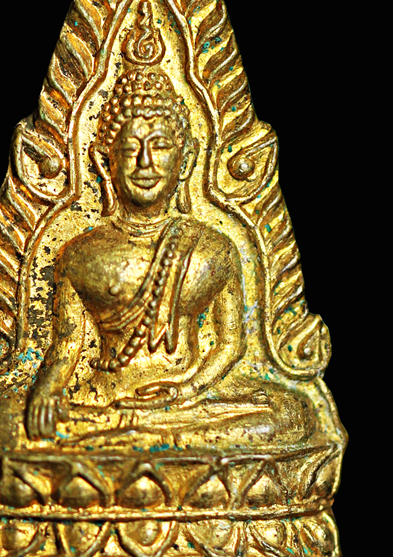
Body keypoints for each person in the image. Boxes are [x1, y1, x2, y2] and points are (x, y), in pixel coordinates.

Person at [24, 68, 312, 451]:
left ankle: (133, 434)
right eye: (130, 149)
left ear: (186, 159)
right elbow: (65, 347)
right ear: (104, 160)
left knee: (292, 414)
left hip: (186, 400)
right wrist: (45, 391)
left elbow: (231, 344)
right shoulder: (79, 253)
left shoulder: (213, 248)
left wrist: (186, 390)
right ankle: (143, 435)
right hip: (103, 396)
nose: (145, 162)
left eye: (160, 146)